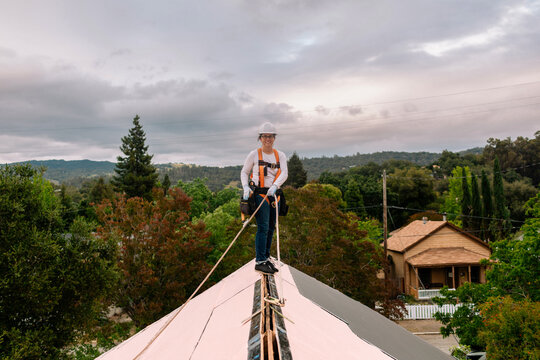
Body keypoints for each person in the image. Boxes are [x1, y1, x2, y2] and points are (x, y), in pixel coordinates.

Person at [241, 122, 288, 274]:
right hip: (260, 194)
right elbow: (244, 172)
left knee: (271, 227)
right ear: (260, 138)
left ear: (274, 138)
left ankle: (266, 257)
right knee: (263, 226)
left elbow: (284, 173)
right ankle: (260, 260)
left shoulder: (280, 155)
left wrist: (275, 185)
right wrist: (246, 187)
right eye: (265, 136)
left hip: (274, 195)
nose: (268, 139)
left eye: (270, 136)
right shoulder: (254, 155)